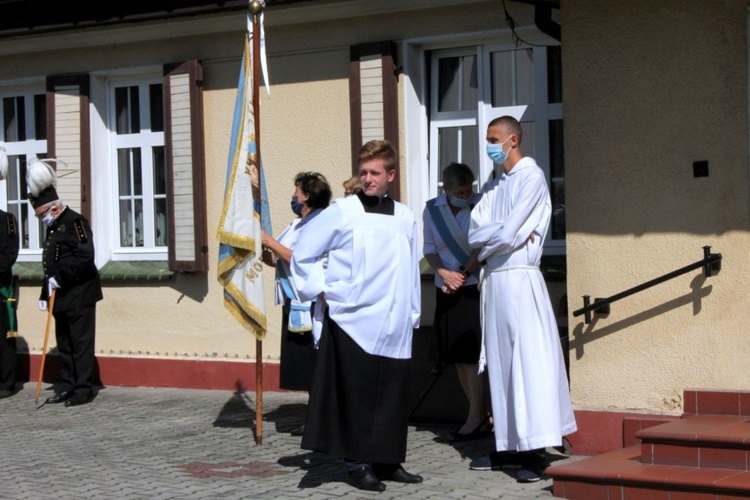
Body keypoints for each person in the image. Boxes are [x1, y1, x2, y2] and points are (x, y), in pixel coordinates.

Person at [290, 140, 422, 492]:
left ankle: (388, 460)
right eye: (363, 172)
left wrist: (412, 312)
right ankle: (358, 462)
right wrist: (321, 290)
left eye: (375, 172)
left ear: (391, 175)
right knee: (358, 393)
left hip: (393, 318)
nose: (367, 179)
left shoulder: (405, 216)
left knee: (392, 392)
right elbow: (303, 251)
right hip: (353, 317)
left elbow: (410, 269)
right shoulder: (344, 211)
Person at [467, 116, 576, 482]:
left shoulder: (531, 177)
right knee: (500, 364)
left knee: (527, 363)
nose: (489, 146)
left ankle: (534, 450)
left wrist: (492, 242)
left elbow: (510, 233)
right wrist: (494, 241)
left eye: (493, 139)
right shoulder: (496, 185)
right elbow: (474, 232)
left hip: (520, 280)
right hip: (495, 282)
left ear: (513, 140)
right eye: (487, 139)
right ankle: (505, 445)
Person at [27, 157, 103, 407]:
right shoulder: (55, 227)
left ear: (54, 209)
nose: (41, 219)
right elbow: (51, 263)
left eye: (41, 215)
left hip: (80, 294)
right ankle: (67, 386)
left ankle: (83, 389)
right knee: (65, 343)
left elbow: (85, 257)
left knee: (81, 343)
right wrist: (44, 294)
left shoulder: (75, 222)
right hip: (60, 296)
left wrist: (60, 279)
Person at [423, 162, 490, 440]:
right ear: (446, 188)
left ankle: (476, 417)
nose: (466, 194)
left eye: (469, 189)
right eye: (460, 190)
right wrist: (442, 273)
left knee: (472, 356)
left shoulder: (480, 205)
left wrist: (461, 275)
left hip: (472, 286)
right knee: (458, 358)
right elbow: (429, 249)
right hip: (445, 287)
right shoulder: (432, 210)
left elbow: (484, 246)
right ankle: (476, 413)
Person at [261, 171, 331, 435]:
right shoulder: (295, 224)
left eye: (296, 191)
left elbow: (300, 258)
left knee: (316, 361)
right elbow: (281, 257)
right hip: (294, 300)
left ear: (307, 196)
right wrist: (264, 251)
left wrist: (271, 242)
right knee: (304, 364)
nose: (293, 195)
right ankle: (314, 416)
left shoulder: (319, 223)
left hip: (313, 301)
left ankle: (320, 418)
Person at [0, 148, 19, 399]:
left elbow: (9, 253)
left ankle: (6, 382)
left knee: (5, 336)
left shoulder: (8, 220)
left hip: (1, 290)